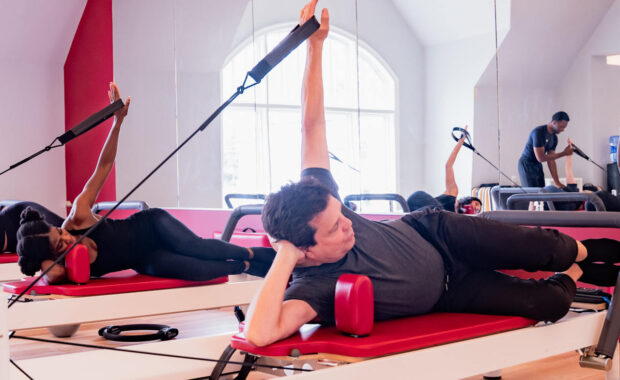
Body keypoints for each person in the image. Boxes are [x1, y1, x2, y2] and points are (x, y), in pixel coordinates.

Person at [243, 0, 620, 347]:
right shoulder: (313, 288)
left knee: (545, 248)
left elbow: (311, 126)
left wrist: (316, 46)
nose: (347, 224)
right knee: (550, 302)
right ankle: (575, 270)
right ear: (302, 250)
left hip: (439, 233)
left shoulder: (316, 198)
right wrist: (285, 257)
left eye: (340, 214)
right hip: (450, 291)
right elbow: (259, 333)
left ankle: (587, 251)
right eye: (333, 229)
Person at [16, 83, 275, 283]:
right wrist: (45, 260)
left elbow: (104, 166)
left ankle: (253, 254)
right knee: (197, 270)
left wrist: (118, 122)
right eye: (59, 244)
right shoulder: (60, 266)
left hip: (151, 227)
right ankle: (248, 267)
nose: (65, 237)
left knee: (196, 248)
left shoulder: (78, 216)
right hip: (143, 258)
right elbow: (50, 275)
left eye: (59, 232)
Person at [406, 128, 482, 214]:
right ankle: (439, 214)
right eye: (476, 204)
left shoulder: (458, 220)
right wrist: (460, 142)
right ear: (469, 200)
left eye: (477, 210)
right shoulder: (453, 192)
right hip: (417, 201)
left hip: (424, 216)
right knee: (442, 214)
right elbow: (448, 165)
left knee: (445, 217)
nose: (476, 208)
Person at [542, 138, 620, 212]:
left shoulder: (575, 195)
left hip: (559, 201)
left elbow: (568, 169)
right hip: (555, 197)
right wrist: (569, 153)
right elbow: (568, 169)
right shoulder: (573, 191)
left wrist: (569, 154)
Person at [518, 112, 573, 188]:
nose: (563, 130)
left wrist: (557, 182)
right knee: (531, 194)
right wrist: (564, 153)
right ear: (554, 122)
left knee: (541, 193)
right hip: (527, 164)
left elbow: (551, 160)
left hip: (537, 165)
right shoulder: (538, 132)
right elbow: (540, 158)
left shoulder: (554, 138)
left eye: (564, 127)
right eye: (561, 127)